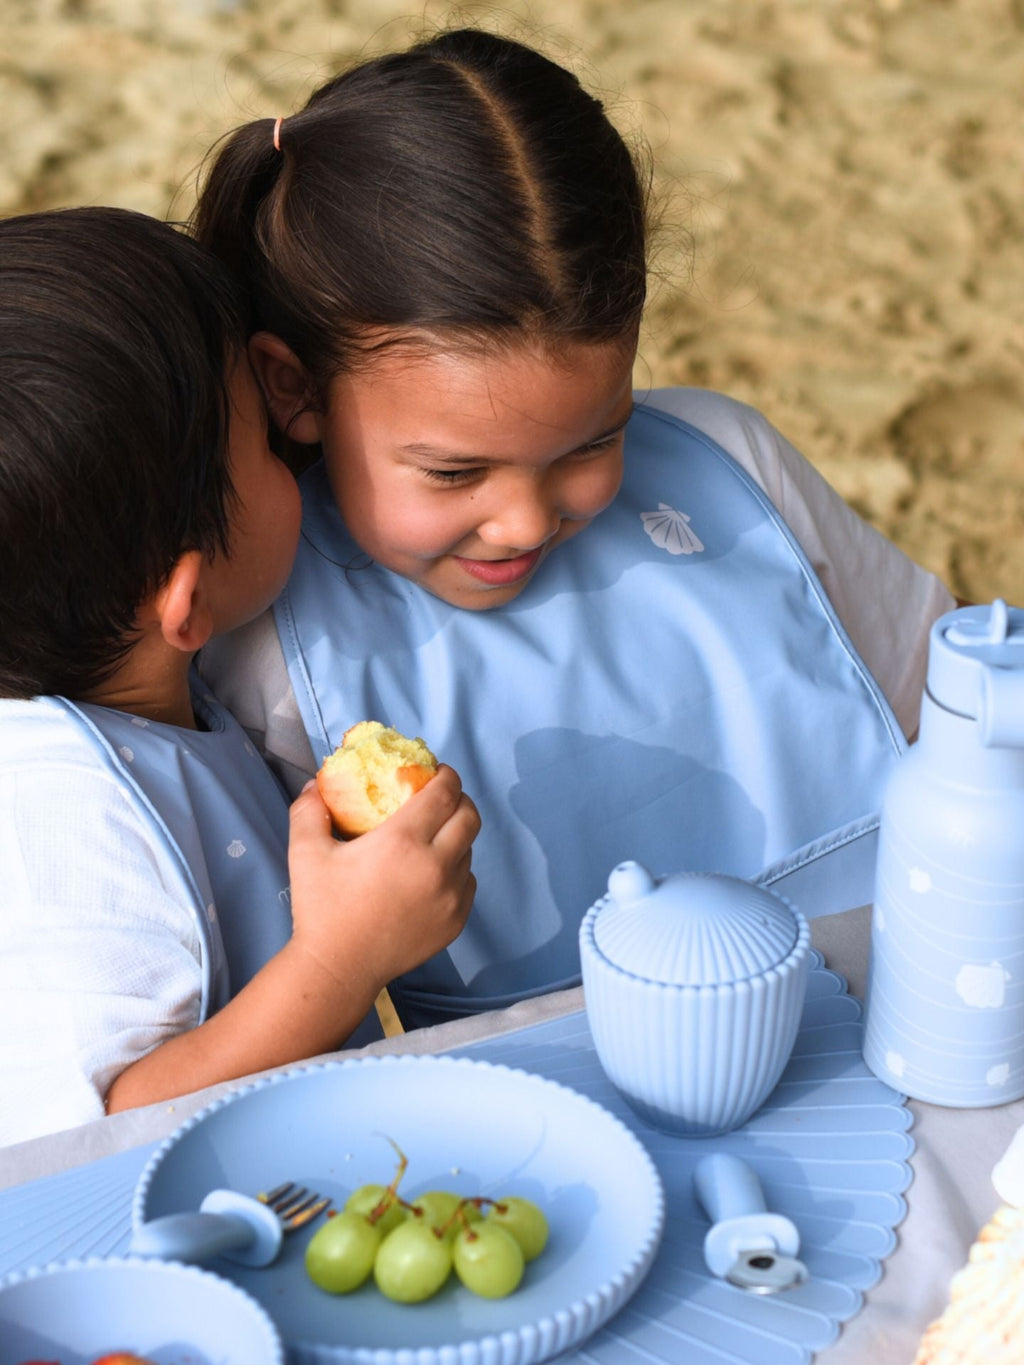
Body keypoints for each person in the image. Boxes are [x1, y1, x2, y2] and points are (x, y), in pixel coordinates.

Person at [192, 27, 954, 1030]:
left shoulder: (731, 462)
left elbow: (954, 709)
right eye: (456, 471)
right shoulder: (272, 649)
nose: (522, 518)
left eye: (593, 441)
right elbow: (296, 1012)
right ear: (296, 388)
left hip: (907, 1013)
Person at [0, 207, 479, 1147]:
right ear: (184, 603)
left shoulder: (146, 692)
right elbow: (101, 1134)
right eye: (263, 440)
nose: (292, 451)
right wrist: (342, 961)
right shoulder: (65, 815)